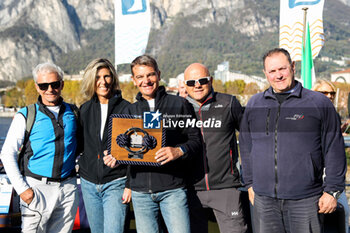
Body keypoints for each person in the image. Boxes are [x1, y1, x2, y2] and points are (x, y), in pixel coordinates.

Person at [239, 48, 347, 233]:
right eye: (272, 71)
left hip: (305, 200)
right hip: (264, 201)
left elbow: (334, 150)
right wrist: (249, 184)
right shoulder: (255, 104)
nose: (278, 75)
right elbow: (246, 146)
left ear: (293, 67)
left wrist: (332, 191)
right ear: (265, 74)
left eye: (282, 69)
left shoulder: (319, 103)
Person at [103, 55, 202, 233]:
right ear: (133, 80)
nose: (146, 81)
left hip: (173, 190)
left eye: (150, 75)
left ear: (158, 74)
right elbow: (127, 151)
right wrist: (116, 157)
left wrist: (178, 151)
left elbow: (196, 141)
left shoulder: (180, 104)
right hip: (141, 194)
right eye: (140, 77)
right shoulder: (129, 111)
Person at [0, 62, 79, 233]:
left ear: (62, 84)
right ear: (37, 87)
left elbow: (82, 146)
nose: (49, 89)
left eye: (55, 84)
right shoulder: (26, 115)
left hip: (68, 189)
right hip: (36, 188)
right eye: (44, 85)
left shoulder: (73, 113)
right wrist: (23, 190)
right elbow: (7, 154)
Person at [183, 63, 248, 233]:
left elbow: (250, 136)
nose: (197, 85)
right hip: (190, 190)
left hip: (226, 187)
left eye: (202, 80)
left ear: (211, 80)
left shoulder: (229, 102)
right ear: (185, 85)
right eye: (191, 82)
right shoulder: (179, 108)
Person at [78, 58, 131, 233]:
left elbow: (138, 151)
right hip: (88, 184)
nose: (103, 82)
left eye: (107, 76)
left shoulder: (127, 109)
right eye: (97, 77)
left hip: (116, 182)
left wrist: (129, 183)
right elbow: (79, 145)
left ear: (113, 78)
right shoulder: (84, 110)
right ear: (91, 80)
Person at [312, 79, 350, 233]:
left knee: (344, 211)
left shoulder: (332, 113)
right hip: (314, 174)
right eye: (324, 93)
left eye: (332, 93)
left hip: (332, 174)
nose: (329, 96)